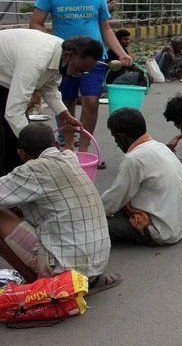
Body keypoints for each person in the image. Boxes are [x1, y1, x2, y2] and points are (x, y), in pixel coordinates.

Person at [30, 0, 132, 161]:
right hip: (65, 60)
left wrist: (121, 52)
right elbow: (36, 23)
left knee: (91, 101)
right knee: (65, 103)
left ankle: (84, 150)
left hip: (93, 58)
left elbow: (105, 28)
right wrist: (55, 46)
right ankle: (68, 149)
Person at [0, 123, 117, 290]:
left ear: (21, 153)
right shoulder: (70, 158)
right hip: (97, 264)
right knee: (19, 205)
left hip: (67, 271)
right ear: (55, 145)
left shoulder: (32, 171)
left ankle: (41, 288)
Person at [0, 30, 92, 174]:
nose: (78, 75)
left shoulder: (60, 56)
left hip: (5, 77)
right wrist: (39, 149)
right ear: (68, 56)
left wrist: (64, 114)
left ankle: (12, 182)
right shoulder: (35, 60)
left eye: (84, 72)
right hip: (7, 75)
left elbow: (49, 89)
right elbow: (14, 112)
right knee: (11, 138)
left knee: (15, 142)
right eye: (79, 69)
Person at [101, 108, 182, 246]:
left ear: (123, 137)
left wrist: (88, 211)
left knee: (94, 225)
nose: (116, 143)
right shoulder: (160, 147)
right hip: (180, 224)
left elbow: (115, 199)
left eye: (115, 138)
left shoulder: (133, 159)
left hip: (160, 230)